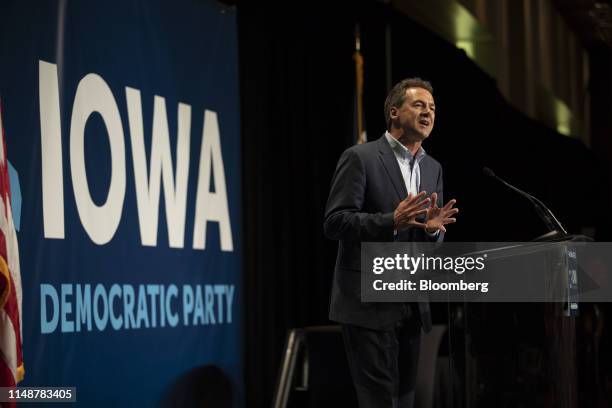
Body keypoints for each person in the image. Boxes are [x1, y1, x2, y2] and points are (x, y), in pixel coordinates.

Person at [324, 78, 458, 408]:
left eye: (433, 108)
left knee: (405, 400)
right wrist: (389, 221)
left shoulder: (433, 167)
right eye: (419, 105)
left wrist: (432, 231)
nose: (429, 112)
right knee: (379, 401)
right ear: (394, 112)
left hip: (412, 306)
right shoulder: (361, 158)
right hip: (368, 304)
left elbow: (429, 237)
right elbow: (335, 222)